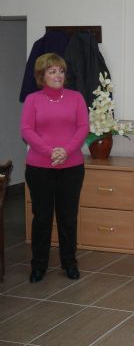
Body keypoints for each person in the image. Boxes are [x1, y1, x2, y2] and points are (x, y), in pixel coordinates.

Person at [20, 53, 89, 283]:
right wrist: (51, 151)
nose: (58, 75)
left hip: (71, 167)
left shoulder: (76, 97)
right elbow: (27, 130)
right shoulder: (32, 100)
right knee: (42, 218)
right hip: (39, 168)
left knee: (68, 217)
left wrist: (66, 151)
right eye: (52, 71)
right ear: (42, 75)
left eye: (60, 70)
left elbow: (83, 128)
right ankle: (38, 265)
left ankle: (69, 263)